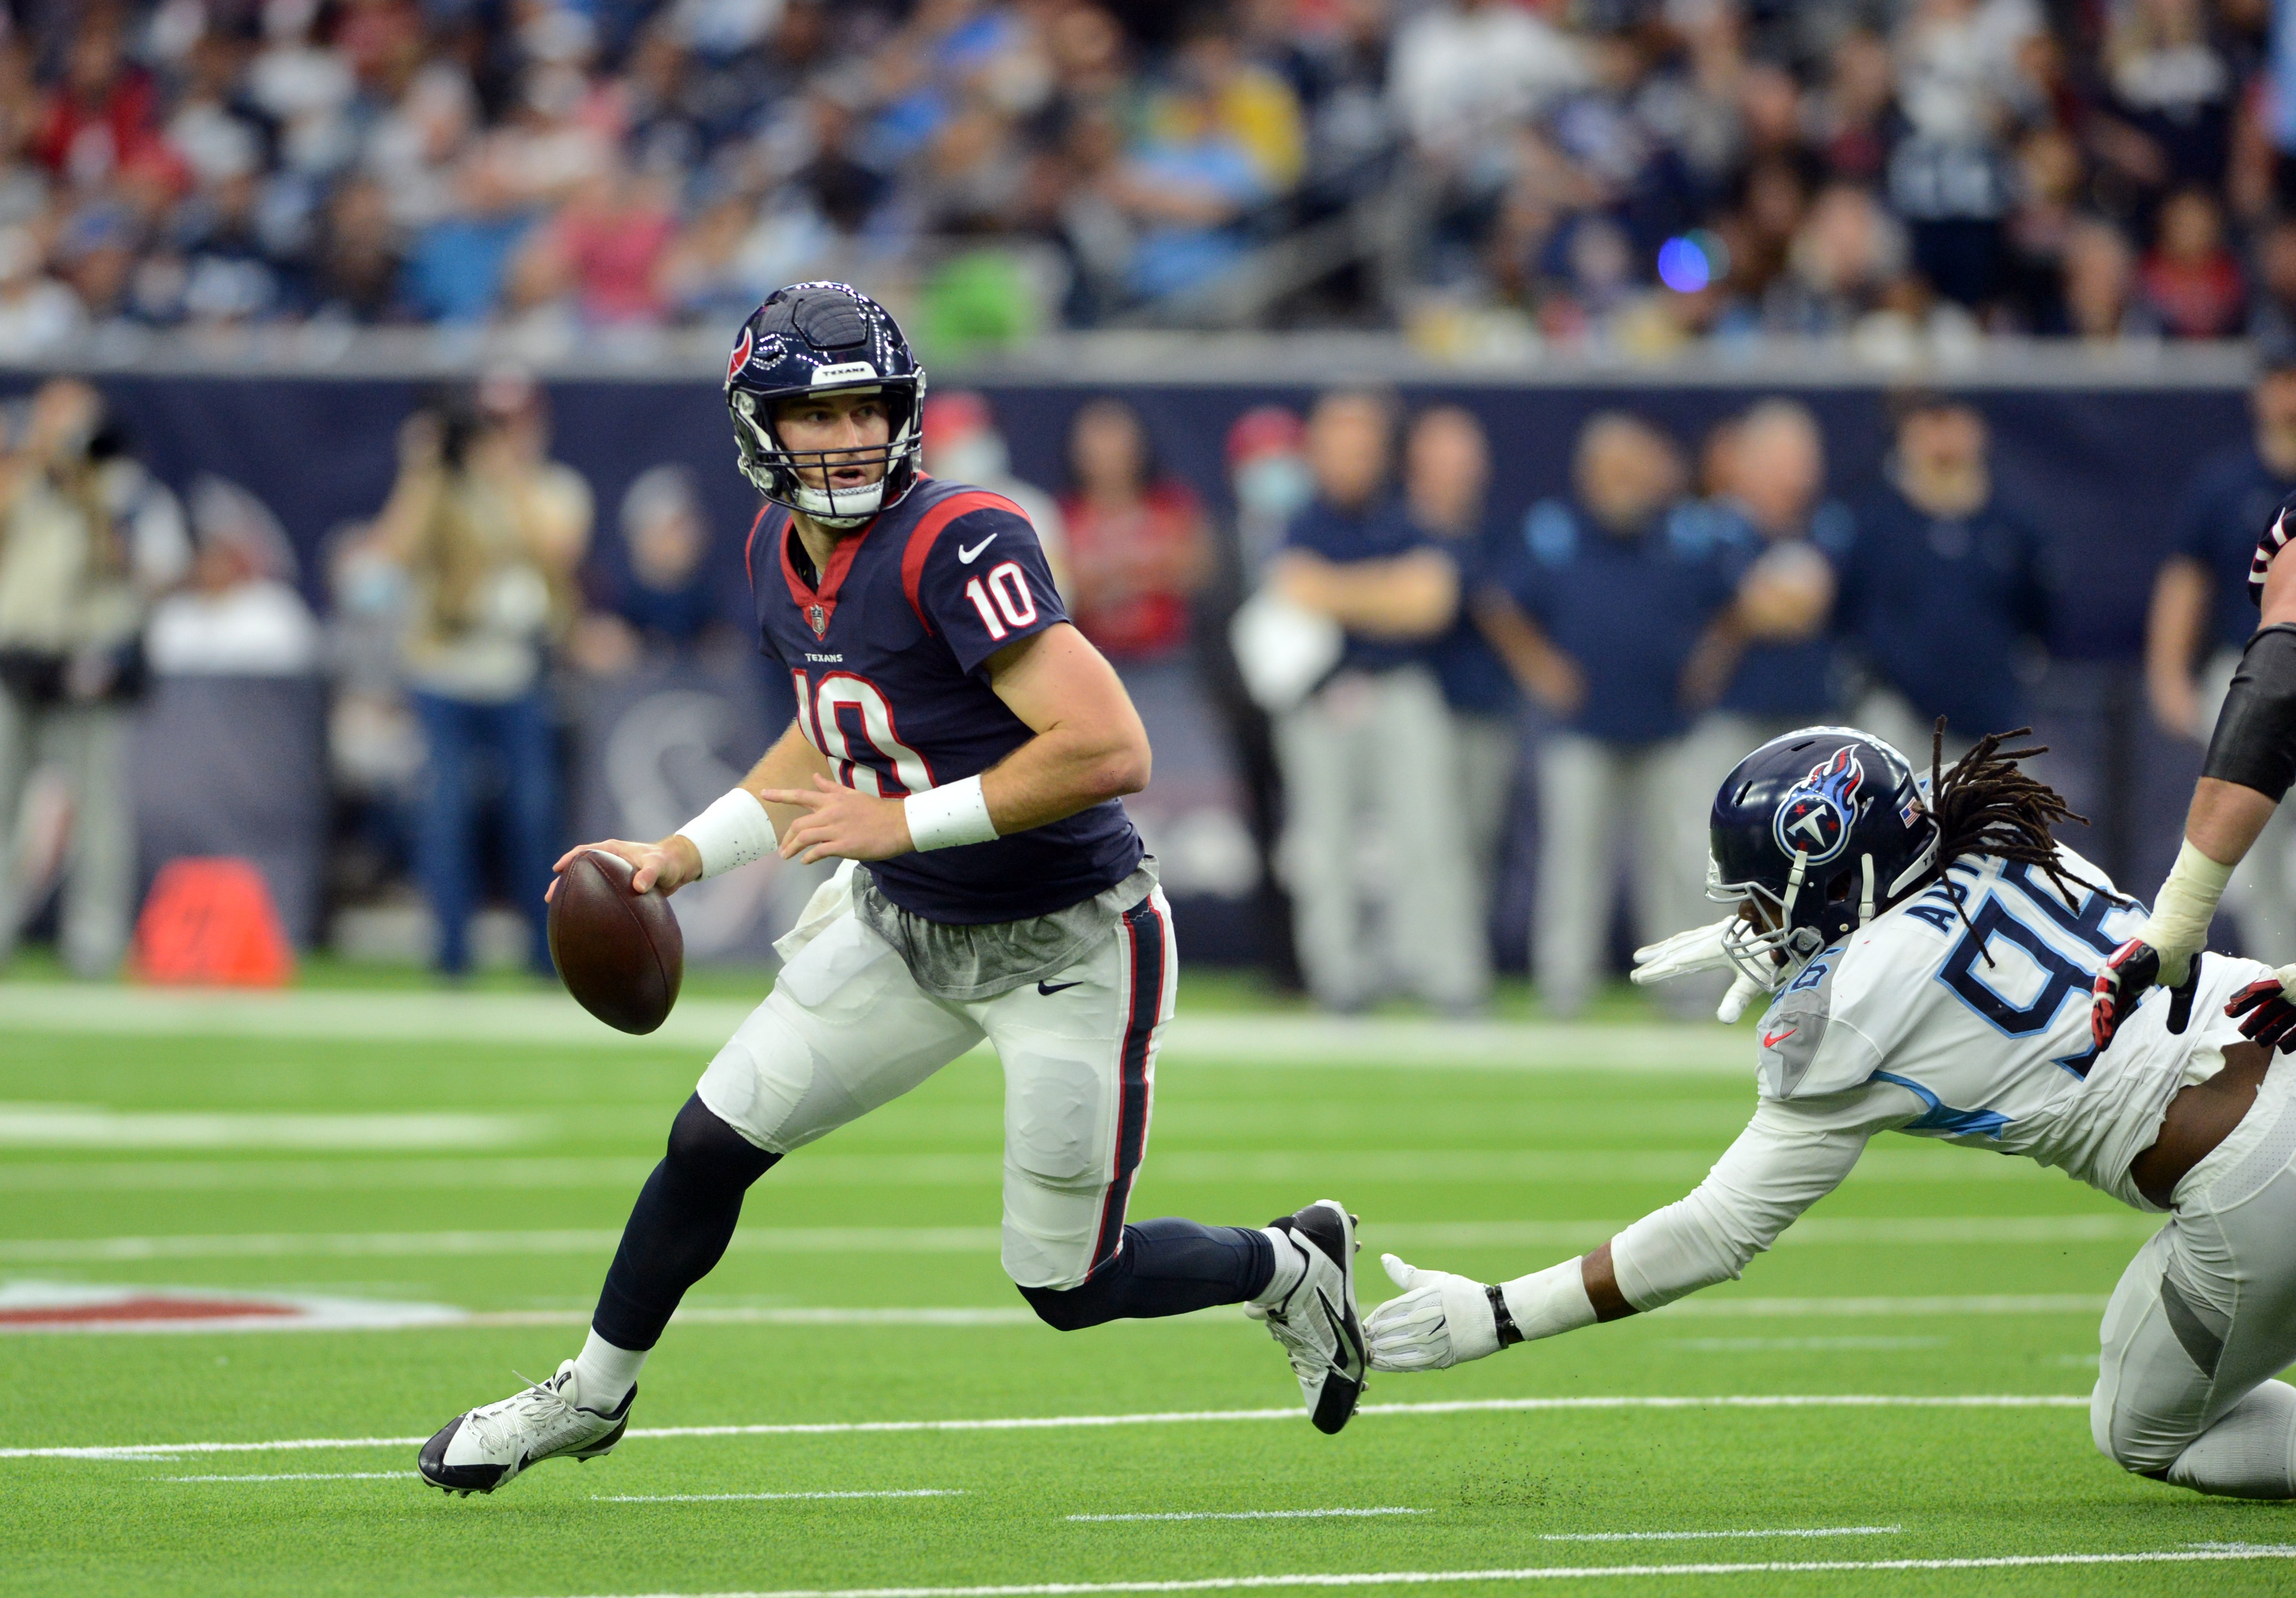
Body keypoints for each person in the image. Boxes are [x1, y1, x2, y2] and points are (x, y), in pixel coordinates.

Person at [415, 283, 1367, 1497]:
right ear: (761, 427)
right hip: (909, 923)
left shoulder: (957, 538)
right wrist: (682, 853)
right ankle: (592, 1391)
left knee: (1068, 1284)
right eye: (817, 415)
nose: (850, 436)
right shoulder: (775, 547)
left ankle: (1286, 1262)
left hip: (1066, 940)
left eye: (867, 407)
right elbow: (827, 738)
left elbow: (1109, 743)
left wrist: (901, 818)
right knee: (708, 1141)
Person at [1368, 725, 2296, 1504]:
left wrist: (1498, 1312)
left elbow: (1712, 1232)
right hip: (2277, 1026)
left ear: (1827, 873)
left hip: (2249, 1175)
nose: (1752, 914)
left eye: (1762, 892)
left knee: (2137, 1427)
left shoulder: (1846, 1016)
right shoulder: (2004, 830)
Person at [1486, 412, 1737, 1019]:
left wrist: (1710, 661)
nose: (1624, 483)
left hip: (1668, 725)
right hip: (1582, 728)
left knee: (1676, 867)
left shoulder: (1683, 534)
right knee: (1574, 863)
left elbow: (1736, 604)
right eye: (1613, 470)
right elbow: (1500, 603)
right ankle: (1565, 984)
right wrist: (1541, 669)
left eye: (1633, 469)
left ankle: (1688, 990)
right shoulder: (1557, 533)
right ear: (1589, 474)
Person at [1265, 388, 1483, 1013]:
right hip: (1320, 696)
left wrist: (1336, 593)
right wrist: (1384, 592)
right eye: (1337, 445)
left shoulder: (1409, 517)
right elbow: (1292, 591)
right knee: (1322, 845)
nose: (1350, 459)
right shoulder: (1299, 521)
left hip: (1400, 691)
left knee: (1428, 837)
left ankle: (1446, 978)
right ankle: (1339, 981)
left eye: (1362, 446)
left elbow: (1429, 605)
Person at [370, 378, 590, 975]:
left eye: (510, 423)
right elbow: (390, 557)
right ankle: (451, 959)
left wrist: (508, 476)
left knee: (533, 815)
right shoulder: (441, 490)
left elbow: (555, 556)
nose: (498, 437)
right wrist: (421, 470)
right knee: (444, 815)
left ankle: (547, 958)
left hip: (517, 674)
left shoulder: (554, 489)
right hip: (444, 670)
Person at [0, 380, 187, 976]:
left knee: (100, 807)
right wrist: (33, 462)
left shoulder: (124, 489)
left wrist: (92, 497)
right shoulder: (21, 481)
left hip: (89, 658)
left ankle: (95, 939)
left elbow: (150, 572)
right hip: (20, 654)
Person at [2134, 348, 2296, 970]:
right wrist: (2168, 674)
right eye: (2278, 381)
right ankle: (2271, 984)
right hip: (2246, 668)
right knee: (2252, 859)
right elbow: (2185, 581)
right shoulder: (2225, 482)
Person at [1839, 393, 2052, 765]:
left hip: (1991, 723)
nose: (1943, 441)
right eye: (1931, 423)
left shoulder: (2012, 523)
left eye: (1953, 422)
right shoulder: (1875, 521)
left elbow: (2040, 615)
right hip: (1900, 719)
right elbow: (1848, 612)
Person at [1402, 404, 1518, 964]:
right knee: (1422, 846)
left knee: (1476, 844)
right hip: (1413, 709)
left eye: (1463, 457)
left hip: (1485, 707)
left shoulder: (1496, 537)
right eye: (1442, 456)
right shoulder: (1396, 527)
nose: (1455, 468)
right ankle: (1424, 964)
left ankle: (1462, 961)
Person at [1056, 398, 1211, 665]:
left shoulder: (1172, 503)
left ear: (1139, 448)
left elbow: (1198, 571)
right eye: (1099, 448)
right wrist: (1146, 572)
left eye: (1119, 446)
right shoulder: (1062, 515)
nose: (1110, 457)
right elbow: (1060, 590)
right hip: (1088, 659)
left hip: (1168, 656)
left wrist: (1108, 579)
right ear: (1079, 454)